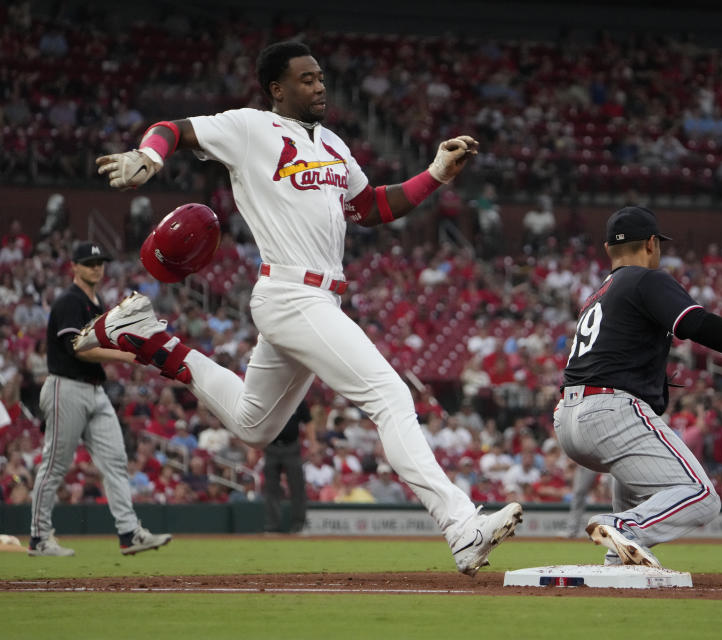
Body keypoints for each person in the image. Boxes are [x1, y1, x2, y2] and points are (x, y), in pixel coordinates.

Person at [86, 40, 521, 575]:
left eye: (320, 78)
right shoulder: (249, 128)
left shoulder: (334, 144)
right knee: (388, 394)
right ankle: (459, 523)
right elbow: (175, 128)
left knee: (254, 425)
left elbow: (370, 207)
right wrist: (148, 156)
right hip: (291, 290)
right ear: (277, 89)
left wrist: (434, 173)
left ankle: (151, 338)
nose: (319, 86)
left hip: (315, 296)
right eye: (307, 79)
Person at [554, 206, 722, 567]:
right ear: (651, 243)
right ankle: (622, 526)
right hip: (610, 411)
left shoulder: (597, 295)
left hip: (569, 416)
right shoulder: (644, 279)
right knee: (701, 496)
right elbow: (695, 323)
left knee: (642, 497)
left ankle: (620, 559)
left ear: (607, 249)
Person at [28, 241, 172, 557]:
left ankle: (128, 533)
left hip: (95, 390)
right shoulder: (70, 301)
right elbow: (78, 348)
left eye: (100, 262)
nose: (96, 267)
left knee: (116, 462)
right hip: (65, 386)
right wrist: (129, 356)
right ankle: (39, 538)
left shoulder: (98, 303)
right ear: (74, 267)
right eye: (89, 262)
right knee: (55, 465)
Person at [263, 401, 309, 533]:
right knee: (271, 488)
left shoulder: (297, 398)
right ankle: (272, 526)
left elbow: (308, 421)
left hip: (291, 447)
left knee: (297, 487)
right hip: (271, 446)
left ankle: (298, 525)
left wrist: (313, 443)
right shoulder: (269, 397)